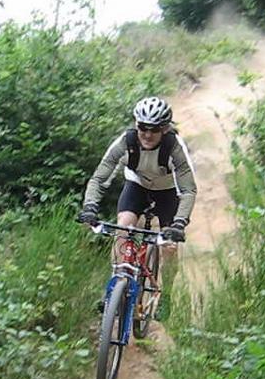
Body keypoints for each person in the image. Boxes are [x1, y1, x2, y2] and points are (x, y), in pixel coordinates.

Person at [77, 96, 197, 318]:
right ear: (136, 124)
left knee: (168, 246)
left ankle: (166, 295)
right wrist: (90, 207)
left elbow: (188, 190)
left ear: (165, 128)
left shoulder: (174, 148)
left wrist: (180, 223)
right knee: (123, 227)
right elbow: (99, 178)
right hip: (137, 185)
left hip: (168, 192)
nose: (147, 134)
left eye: (154, 129)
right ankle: (114, 289)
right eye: (142, 127)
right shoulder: (126, 142)